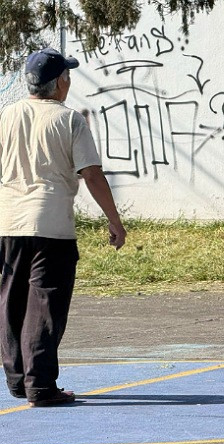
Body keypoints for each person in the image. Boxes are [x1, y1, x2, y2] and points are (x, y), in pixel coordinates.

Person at [0, 48, 127, 406]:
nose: (69, 81)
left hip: (8, 222)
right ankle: (40, 384)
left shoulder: (7, 115)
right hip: (50, 224)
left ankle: (17, 380)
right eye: (67, 76)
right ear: (59, 83)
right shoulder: (69, 120)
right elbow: (92, 174)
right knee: (45, 304)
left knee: (11, 301)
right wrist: (114, 220)